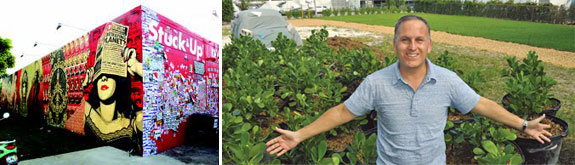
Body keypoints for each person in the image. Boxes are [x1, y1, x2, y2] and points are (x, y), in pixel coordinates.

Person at [265, 15, 552, 164]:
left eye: (418, 40)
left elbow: (482, 104)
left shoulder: (447, 80)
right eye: (404, 40)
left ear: (429, 45)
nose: (411, 47)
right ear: (394, 44)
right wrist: (299, 135)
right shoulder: (376, 82)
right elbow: (342, 111)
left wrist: (523, 124)